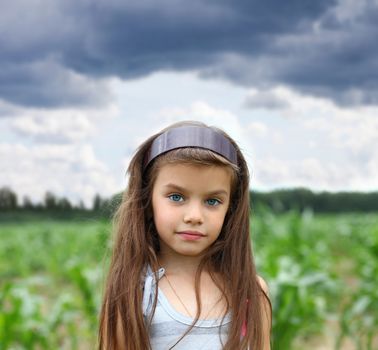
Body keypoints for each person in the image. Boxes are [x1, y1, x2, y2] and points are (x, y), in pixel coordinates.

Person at [98, 120, 272, 349]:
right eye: (176, 197)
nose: (194, 216)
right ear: (148, 201)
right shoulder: (133, 294)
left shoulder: (251, 292)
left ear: (230, 208)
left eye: (212, 201)